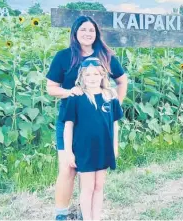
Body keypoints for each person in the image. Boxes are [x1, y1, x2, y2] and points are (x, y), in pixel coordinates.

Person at [46, 15, 128, 220]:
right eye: (83, 30)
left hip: (98, 125)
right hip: (70, 120)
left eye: (91, 30)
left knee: (91, 169)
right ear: (75, 33)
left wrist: (112, 104)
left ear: (96, 33)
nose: (87, 33)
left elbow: (122, 80)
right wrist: (71, 92)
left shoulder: (106, 56)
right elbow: (51, 88)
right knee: (68, 167)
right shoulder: (64, 57)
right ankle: (61, 214)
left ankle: (87, 213)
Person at [62, 57, 123, 221]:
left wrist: (115, 146)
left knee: (99, 186)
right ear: (82, 77)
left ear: (103, 75)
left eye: (96, 74)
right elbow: (68, 127)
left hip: (104, 148)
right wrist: (68, 152)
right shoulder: (77, 97)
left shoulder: (110, 96)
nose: (92, 78)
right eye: (88, 75)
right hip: (84, 149)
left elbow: (115, 124)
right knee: (87, 188)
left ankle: (96, 218)